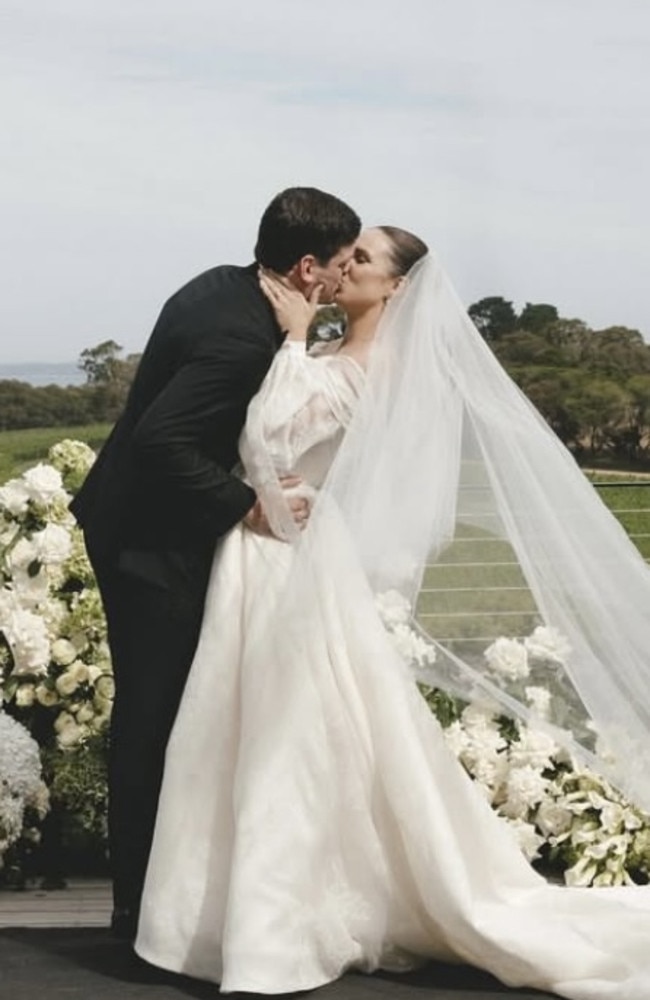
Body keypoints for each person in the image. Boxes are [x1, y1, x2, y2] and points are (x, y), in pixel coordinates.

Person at [136, 226, 650, 999]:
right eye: (347, 256)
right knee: (246, 729)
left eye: (363, 261)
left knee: (287, 738)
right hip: (267, 548)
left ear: (397, 289)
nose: (347, 267)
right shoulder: (336, 353)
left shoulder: (375, 362)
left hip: (290, 554)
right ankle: (226, 916)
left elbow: (271, 436)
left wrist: (295, 334)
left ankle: (277, 928)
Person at [69, 187, 361, 939]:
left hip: (138, 524)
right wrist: (248, 506)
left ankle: (163, 893)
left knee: (165, 714)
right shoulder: (239, 337)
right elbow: (160, 441)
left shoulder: (224, 284)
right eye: (334, 266)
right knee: (153, 716)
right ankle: (137, 909)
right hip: (150, 546)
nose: (337, 280)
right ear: (303, 266)